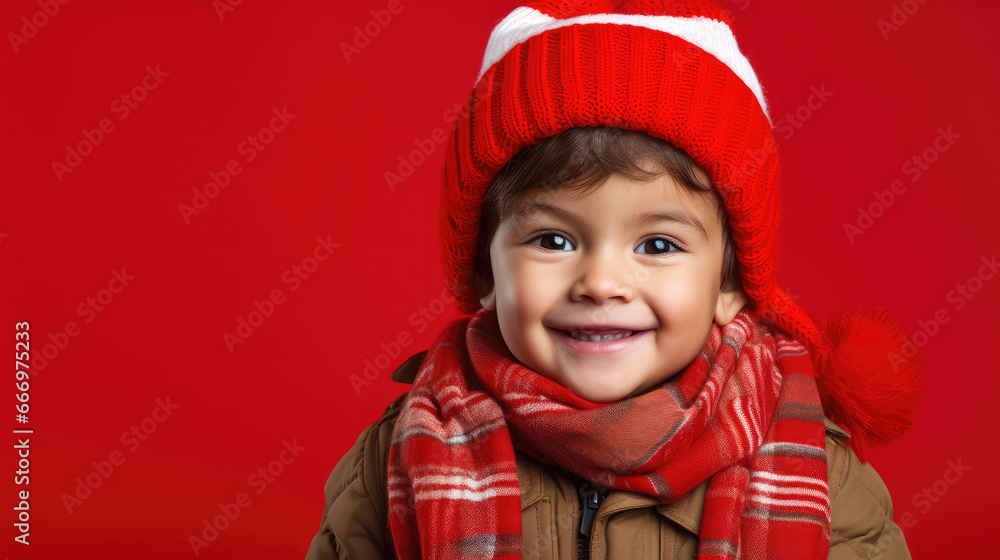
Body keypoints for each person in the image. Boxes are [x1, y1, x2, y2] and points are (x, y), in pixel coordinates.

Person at [305, 1, 923, 558]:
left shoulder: (819, 474)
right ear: (484, 271)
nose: (601, 282)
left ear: (730, 284)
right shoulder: (400, 457)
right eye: (553, 240)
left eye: (657, 244)